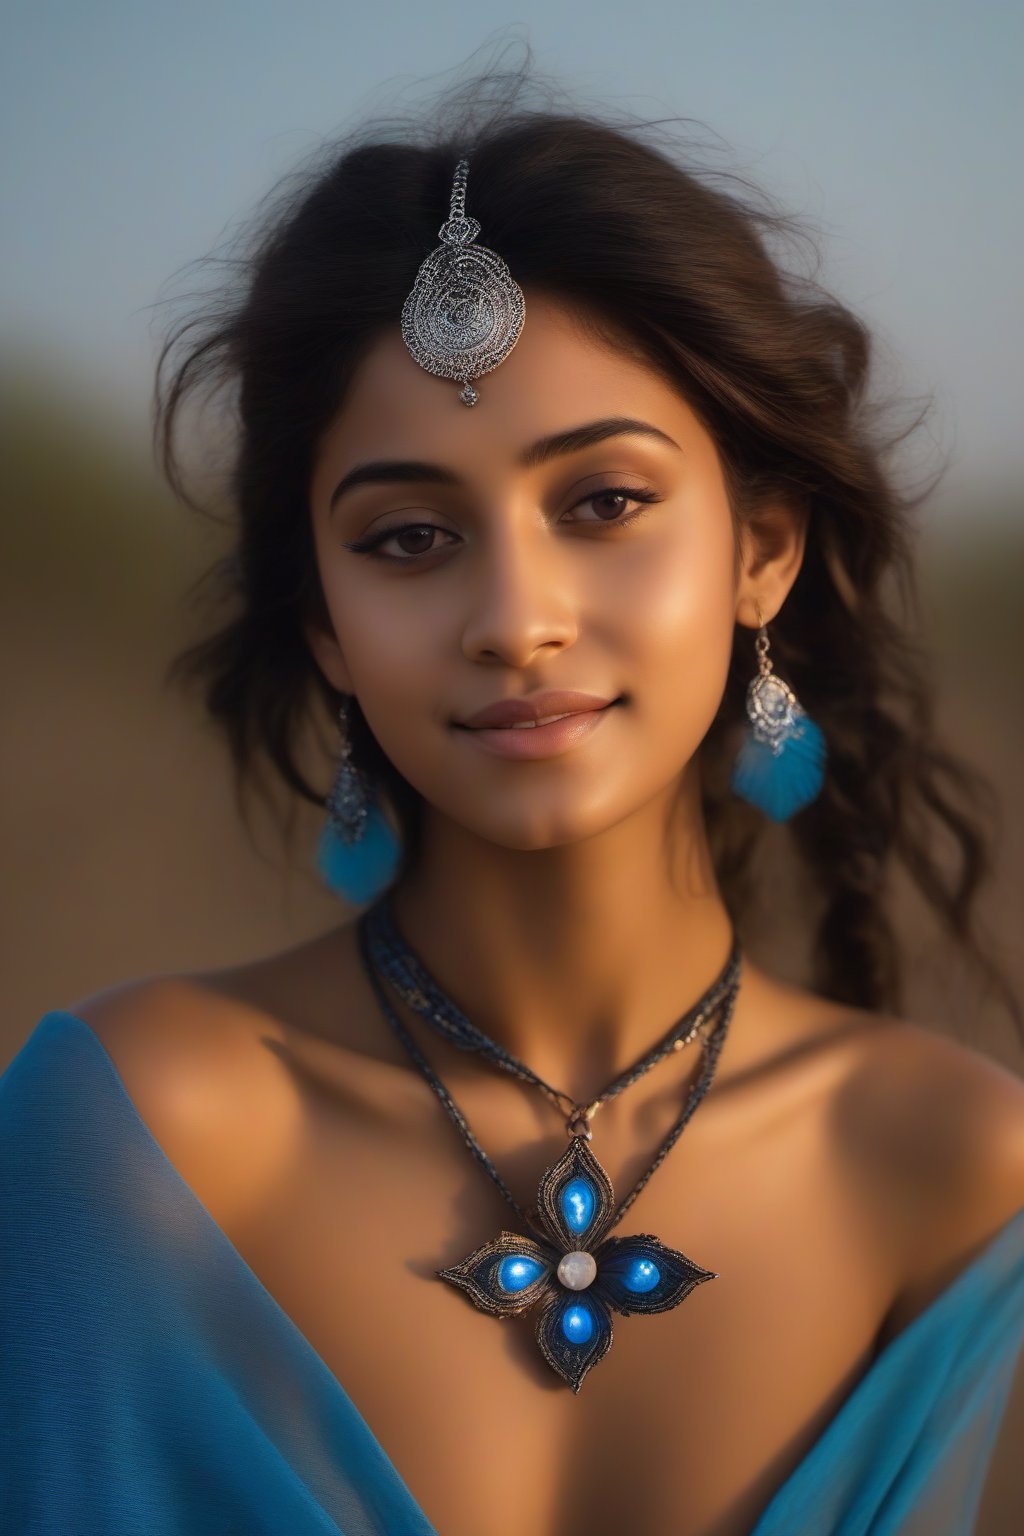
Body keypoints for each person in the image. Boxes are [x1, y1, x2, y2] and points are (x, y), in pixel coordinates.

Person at [3, 63, 1023, 1536]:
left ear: (762, 550)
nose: (515, 617)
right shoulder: (137, 1140)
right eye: (410, 537)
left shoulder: (956, 1179)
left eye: (602, 503)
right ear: (323, 625)